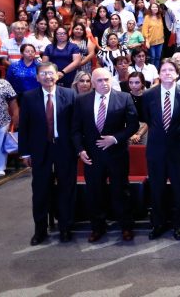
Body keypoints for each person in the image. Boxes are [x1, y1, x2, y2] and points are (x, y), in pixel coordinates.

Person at [73, 68, 139, 243]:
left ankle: (126, 227)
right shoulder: (81, 100)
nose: (104, 83)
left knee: (121, 192)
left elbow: (133, 126)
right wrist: (80, 150)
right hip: (92, 156)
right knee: (95, 193)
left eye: (106, 79)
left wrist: (116, 139)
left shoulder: (124, 98)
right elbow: (76, 129)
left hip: (117, 154)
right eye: (100, 81)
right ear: (93, 83)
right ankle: (97, 228)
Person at [141, 59, 180, 241]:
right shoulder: (148, 95)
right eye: (164, 70)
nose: (167, 73)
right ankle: (158, 224)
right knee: (157, 189)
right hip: (156, 150)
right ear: (159, 74)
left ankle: (179, 225)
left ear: (177, 73)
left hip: (179, 150)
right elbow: (148, 119)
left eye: (171, 70)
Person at [18, 62, 71, 243]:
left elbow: (75, 125)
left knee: (66, 190)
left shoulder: (70, 94)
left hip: (64, 149)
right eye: (43, 74)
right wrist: (25, 152)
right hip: (40, 150)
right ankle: (40, 230)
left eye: (51, 73)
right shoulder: (28, 97)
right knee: (40, 191)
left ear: (57, 75)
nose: (48, 77)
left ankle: (65, 228)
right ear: (37, 77)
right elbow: (24, 127)